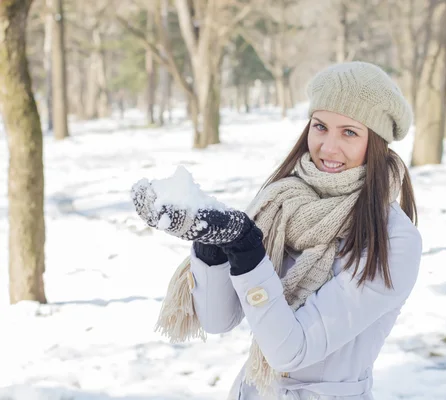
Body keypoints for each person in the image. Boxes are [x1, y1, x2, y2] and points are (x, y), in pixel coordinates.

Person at [131, 61, 422, 400]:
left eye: (349, 132)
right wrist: (213, 246)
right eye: (320, 126)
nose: (328, 147)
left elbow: (291, 350)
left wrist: (246, 250)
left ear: (376, 143)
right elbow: (218, 319)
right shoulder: (282, 201)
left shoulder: (392, 240)